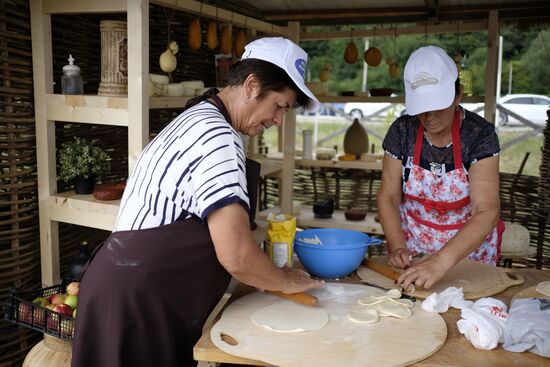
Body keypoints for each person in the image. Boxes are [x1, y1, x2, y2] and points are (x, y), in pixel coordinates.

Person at [71, 37, 324, 367]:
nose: (279, 120)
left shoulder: (198, 117)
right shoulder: (217, 137)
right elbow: (235, 255)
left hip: (126, 291)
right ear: (251, 85)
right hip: (138, 304)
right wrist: (282, 279)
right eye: (280, 106)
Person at [377, 45, 504, 292]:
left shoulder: (480, 135)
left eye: (437, 105)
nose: (429, 116)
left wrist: (441, 260)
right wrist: (397, 246)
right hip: (414, 255)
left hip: (469, 256)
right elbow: (388, 196)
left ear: (458, 96)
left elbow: (487, 209)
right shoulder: (402, 131)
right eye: (422, 107)